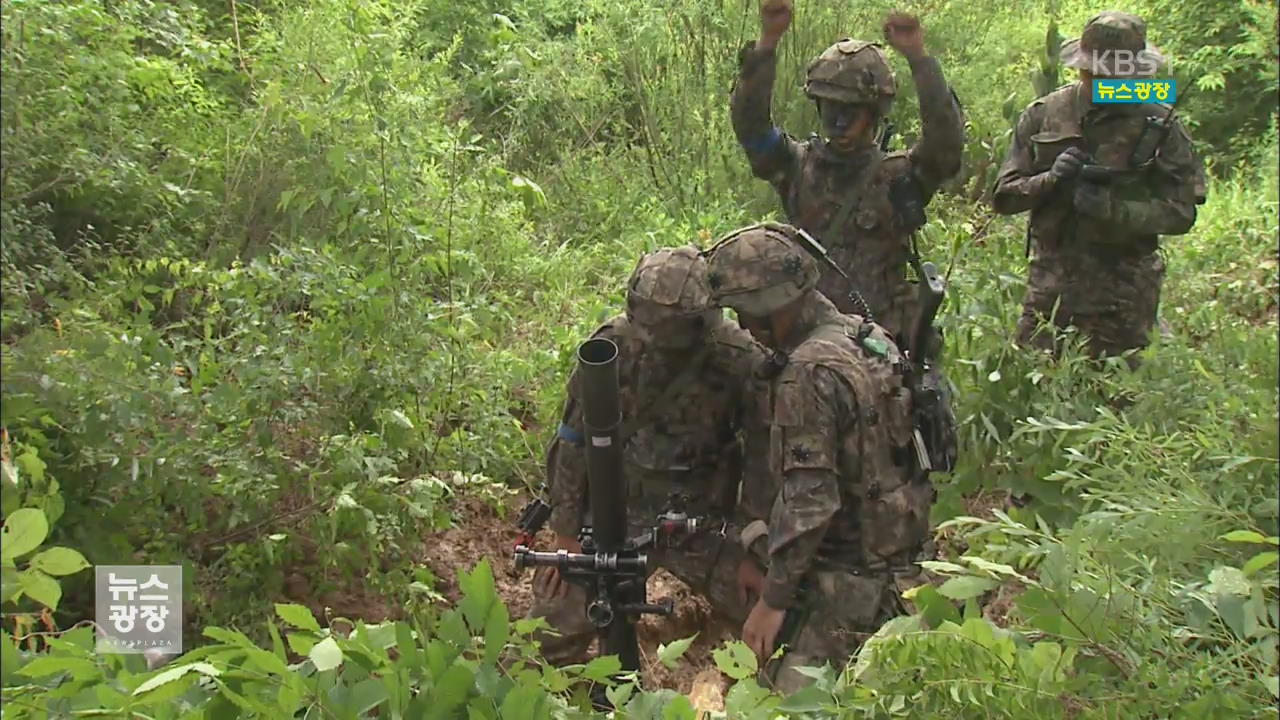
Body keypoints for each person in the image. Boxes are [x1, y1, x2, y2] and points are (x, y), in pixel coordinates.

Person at [705, 222, 934, 693]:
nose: (745, 327)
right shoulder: (868, 336)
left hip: (852, 582)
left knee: (781, 697)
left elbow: (812, 502)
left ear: (771, 308)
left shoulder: (807, 372)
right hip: (907, 562)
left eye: (745, 313)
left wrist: (773, 601)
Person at [527, 245, 766, 665]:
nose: (658, 347)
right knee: (544, 636)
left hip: (706, 519)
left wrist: (754, 549)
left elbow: (765, 462)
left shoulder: (740, 360)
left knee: (776, 622)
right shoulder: (609, 349)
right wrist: (566, 535)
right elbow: (572, 442)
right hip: (619, 509)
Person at [730, 0, 964, 343]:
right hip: (807, 339)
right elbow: (752, 129)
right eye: (830, 110)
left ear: (873, 113)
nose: (838, 123)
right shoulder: (797, 167)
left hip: (882, 345)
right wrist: (768, 41)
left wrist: (918, 57)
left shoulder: (900, 176)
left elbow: (945, 147)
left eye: (849, 112)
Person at [992, 11, 1205, 367]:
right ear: (1081, 68)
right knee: (1038, 396)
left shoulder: (1159, 122)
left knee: (1118, 403)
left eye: (1117, 76)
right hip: (1051, 293)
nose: (1105, 83)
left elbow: (1181, 212)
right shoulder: (1045, 114)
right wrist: (1050, 180)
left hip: (1125, 297)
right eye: (1095, 74)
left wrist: (1114, 210)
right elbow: (1003, 196)